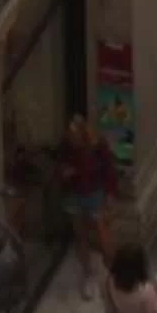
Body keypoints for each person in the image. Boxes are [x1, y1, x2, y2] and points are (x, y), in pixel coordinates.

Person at [57, 114, 118, 298]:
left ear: (83, 134)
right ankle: (88, 274)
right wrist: (65, 173)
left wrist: (110, 193)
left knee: (102, 234)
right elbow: (60, 168)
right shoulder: (66, 148)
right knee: (80, 235)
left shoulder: (97, 146)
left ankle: (114, 274)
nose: (71, 138)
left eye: (74, 135)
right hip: (74, 195)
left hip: (94, 193)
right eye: (69, 134)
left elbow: (109, 169)